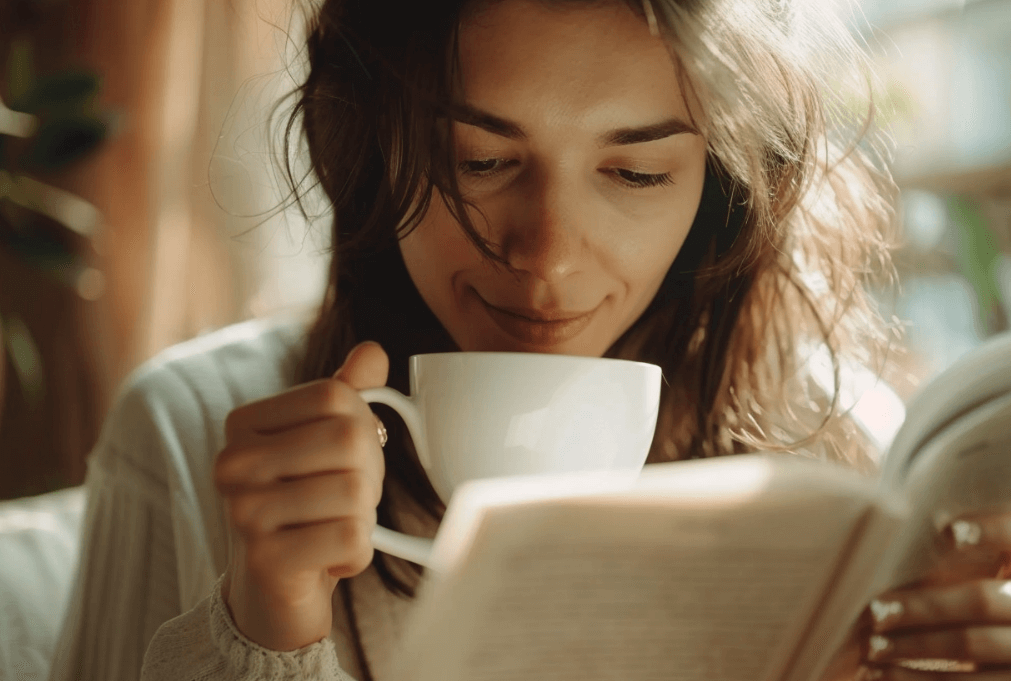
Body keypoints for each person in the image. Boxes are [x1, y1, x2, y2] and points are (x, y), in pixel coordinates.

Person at [47, 0, 1011, 680]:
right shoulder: (187, 432)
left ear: (715, 191)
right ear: (368, 150)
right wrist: (266, 625)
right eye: (480, 160)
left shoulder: (826, 432)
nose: (546, 256)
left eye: (634, 173)